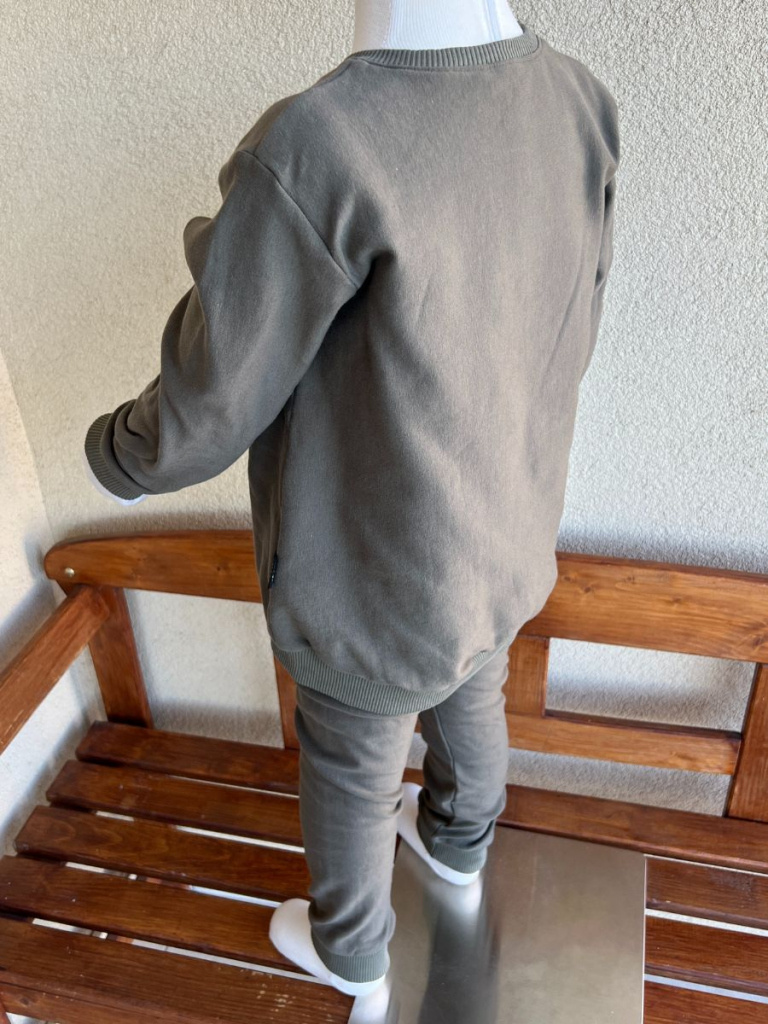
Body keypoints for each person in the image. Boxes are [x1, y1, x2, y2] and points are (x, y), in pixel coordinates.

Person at [83, 0, 620, 999]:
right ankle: (458, 847)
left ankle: (351, 952)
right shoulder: (576, 100)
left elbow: (213, 394)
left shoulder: (322, 145)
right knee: (472, 682)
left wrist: (117, 454)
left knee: (354, 757)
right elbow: (579, 310)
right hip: (504, 526)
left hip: (374, 568)